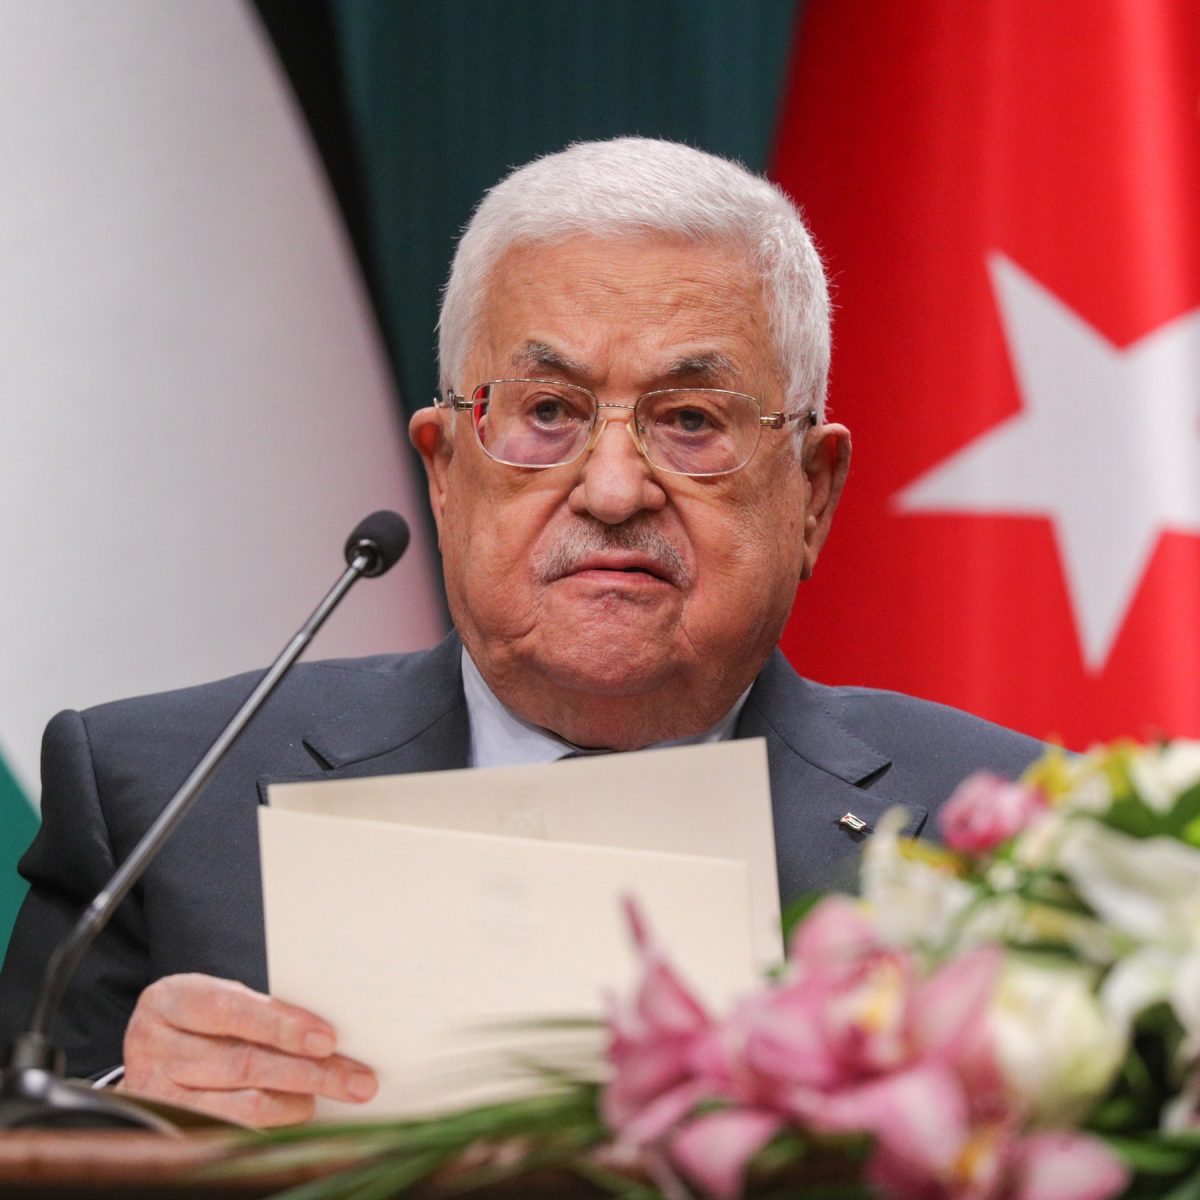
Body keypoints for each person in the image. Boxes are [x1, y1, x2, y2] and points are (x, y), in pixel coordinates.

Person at [0, 138, 1041, 1126]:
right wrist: (123, 1111)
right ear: (444, 470)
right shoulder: (160, 803)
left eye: (691, 420)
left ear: (812, 495)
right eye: (547, 412)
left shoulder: (1006, 834)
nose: (615, 489)